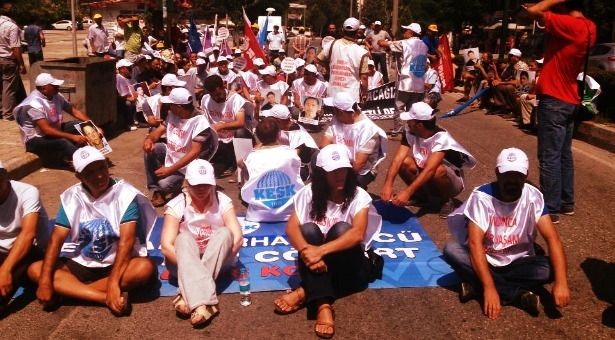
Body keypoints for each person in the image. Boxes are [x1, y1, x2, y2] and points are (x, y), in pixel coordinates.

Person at [28, 146, 157, 316]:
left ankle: (69, 293)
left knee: (143, 268)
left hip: (118, 261)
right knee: (36, 270)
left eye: (101, 168)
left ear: (107, 165)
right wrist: (44, 281)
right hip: (84, 260)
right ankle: (102, 297)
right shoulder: (72, 196)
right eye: (89, 172)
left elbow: (126, 241)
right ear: (78, 176)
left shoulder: (125, 194)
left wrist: (113, 282)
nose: (99, 176)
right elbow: (56, 239)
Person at [443, 148, 570, 318]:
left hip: (518, 260)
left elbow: (553, 239)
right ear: (497, 173)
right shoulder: (481, 196)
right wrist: (489, 289)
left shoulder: (533, 196)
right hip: (486, 258)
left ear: (525, 176)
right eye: (507, 174)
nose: (512, 180)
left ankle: (476, 284)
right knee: (452, 250)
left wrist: (561, 283)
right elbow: (475, 243)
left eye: (518, 175)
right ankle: (516, 296)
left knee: (550, 269)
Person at [272, 144, 381, 339]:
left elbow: (357, 234)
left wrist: (319, 252)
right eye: (333, 171)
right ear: (321, 174)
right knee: (308, 230)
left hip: (351, 267)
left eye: (343, 170)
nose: (340, 175)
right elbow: (291, 228)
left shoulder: (359, 195)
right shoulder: (309, 193)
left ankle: (304, 292)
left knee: (342, 229)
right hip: (317, 263)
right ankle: (323, 305)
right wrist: (308, 251)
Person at [526, 0, 596, 224]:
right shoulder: (589, 26)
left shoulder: (570, 24)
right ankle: (566, 202)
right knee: (564, 154)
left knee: (549, 157)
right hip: (569, 98)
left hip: (555, 98)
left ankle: (550, 208)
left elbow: (535, 11)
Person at [161, 159, 243, 327]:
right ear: (187, 183)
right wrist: (191, 266)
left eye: (206, 184)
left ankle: (187, 295)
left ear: (212, 184)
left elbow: (237, 237)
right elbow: (166, 246)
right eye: (195, 184)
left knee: (225, 233)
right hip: (183, 261)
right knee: (182, 239)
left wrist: (218, 260)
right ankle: (206, 304)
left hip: (218, 259)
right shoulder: (177, 204)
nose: (201, 189)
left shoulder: (223, 201)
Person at [380, 101, 476, 218]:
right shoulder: (410, 130)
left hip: (451, 182)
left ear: (419, 125)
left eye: (410, 120)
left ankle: (446, 201)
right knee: (404, 162)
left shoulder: (441, 137)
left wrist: (407, 192)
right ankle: (421, 197)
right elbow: (398, 159)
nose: (407, 123)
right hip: (427, 173)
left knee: (437, 170)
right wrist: (388, 184)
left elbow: (430, 170)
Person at [143, 88, 218, 207]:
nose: (168, 107)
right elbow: (156, 133)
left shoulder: (200, 122)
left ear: (178, 107)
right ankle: (155, 190)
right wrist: (148, 140)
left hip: (188, 165)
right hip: (173, 155)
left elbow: (194, 152)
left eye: (171, 105)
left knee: (164, 184)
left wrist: (170, 169)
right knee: (151, 151)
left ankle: (182, 182)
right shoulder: (173, 115)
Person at [13, 73, 97, 164]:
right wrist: (72, 137)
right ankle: (85, 163)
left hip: (54, 129)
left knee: (79, 124)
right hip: (35, 139)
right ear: (44, 88)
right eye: (53, 85)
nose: (57, 86)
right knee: (63, 142)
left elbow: (75, 112)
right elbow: (47, 131)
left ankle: (90, 153)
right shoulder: (34, 104)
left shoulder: (56, 96)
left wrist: (94, 127)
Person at [0, 160, 49, 311]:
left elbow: (28, 234)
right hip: (2, 251)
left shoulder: (27, 192)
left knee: (28, 252)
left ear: (5, 174)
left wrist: (5, 270)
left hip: (30, 250)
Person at [239, 117, 304, 222]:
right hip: (289, 214)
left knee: (246, 168)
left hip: (258, 215)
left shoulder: (252, 156)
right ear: (279, 134)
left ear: (258, 137)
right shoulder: (291, 153)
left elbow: (240, 163)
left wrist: (255, 149)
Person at [321, 92, 388, 190]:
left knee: (341, 188)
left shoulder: (369, 131)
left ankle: (356, 191)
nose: (331, 112)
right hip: (337, 161)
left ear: (340, 112)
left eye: (332, 109)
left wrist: (337, 178)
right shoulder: (337, 119)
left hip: (362, 170)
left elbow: (359, 164)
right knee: (316, 160)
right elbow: (323, 146)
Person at [378, 23, 428, 136]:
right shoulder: (424, 46)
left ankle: (398, 129)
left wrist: (380, 41)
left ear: (411, 32)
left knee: (399, 106)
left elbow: (383, 44)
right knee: (413, 108)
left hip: (405, 82)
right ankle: (413, 129)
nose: (403, 32)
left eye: (405, 30)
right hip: (419, 82)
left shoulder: (403, 43)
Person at [201, 75, 253, 178]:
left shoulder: (236, 99)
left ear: (224, 86)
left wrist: (222, 126)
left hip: (233, 139)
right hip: (217, 140)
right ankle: (227, 163)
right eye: (213, 96)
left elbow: (240, 122)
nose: (216, 98)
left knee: (240, 132)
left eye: (218, 94)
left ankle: (242, 165)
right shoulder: (205, 100)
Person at [317, 17, 369, 103]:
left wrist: (329, 67)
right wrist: (364, 94)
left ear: (342, 30)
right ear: (357, 32)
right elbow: (364, 77)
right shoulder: (362, 52)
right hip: (351, 95)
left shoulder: (331, 44)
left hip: (333, 92)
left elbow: (318, 59)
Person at [0, 10, 27, 121]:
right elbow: (15, 48)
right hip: (7, 60)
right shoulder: (11, 26)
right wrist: (21, 64)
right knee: (9, 88)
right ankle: (7, 114)